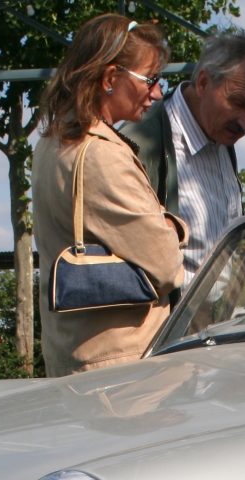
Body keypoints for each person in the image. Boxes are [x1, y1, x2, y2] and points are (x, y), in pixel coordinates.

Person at [32, 15, 187, 377]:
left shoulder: (52, 142)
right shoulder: (101, 153)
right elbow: (166, 267)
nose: (158, 93)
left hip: (75, 353)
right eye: (150, 80)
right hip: (123, 370)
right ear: (109, 78)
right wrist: (174, 228)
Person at [119, 28, 245, 285]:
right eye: (238, 103)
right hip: (169, 323)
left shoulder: (221, 135)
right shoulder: (141, 145)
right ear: (203, 83)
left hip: (216, 323)